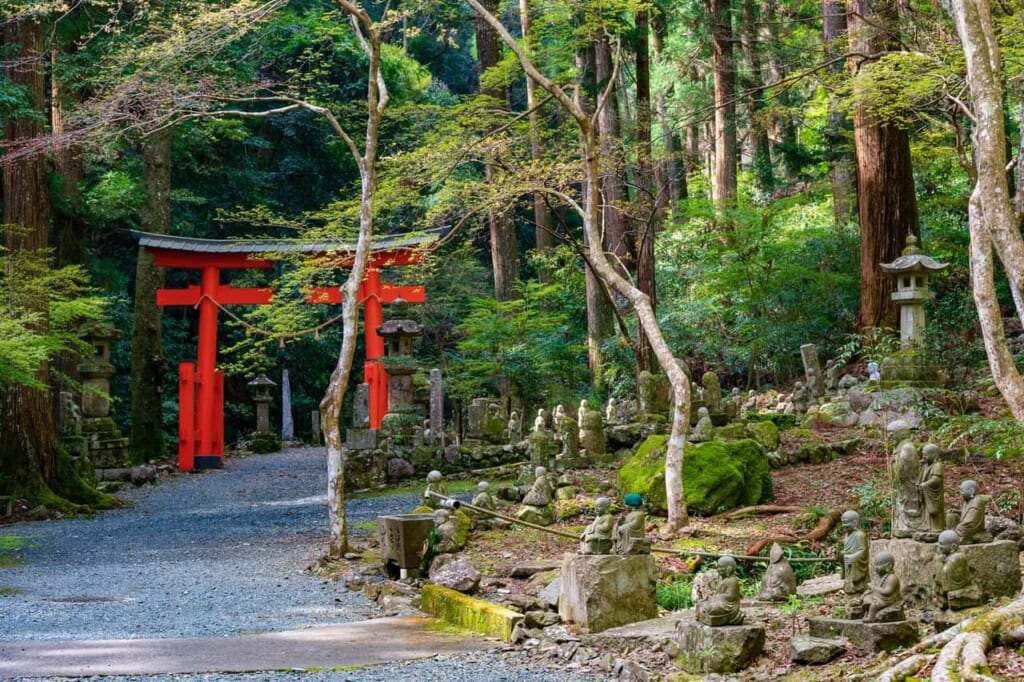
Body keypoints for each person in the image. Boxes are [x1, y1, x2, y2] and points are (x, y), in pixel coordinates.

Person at [696, 556, 744, 626]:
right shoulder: (722, 579)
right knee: (700, 603)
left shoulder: (732, 581)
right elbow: (718, 591)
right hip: (719, 601)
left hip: (728, 605)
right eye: (717, 567)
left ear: (729, 569)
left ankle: (710, 614)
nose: (718, 569)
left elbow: (730, 596)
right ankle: (705, 613)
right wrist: (712, 592)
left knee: (712, 608)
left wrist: (717, 597)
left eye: (720, 567)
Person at [842, 510, 870, 594]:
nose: (844, 526)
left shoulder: (860, 535)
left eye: (846, 523)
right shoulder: (847, 535)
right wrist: (841, 554)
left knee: (859, 583)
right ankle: (850, 591)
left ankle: (860, 591)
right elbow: (848, 550)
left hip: (857, 564)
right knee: (849, 579)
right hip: (849, 564)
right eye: (843, 523)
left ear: (854, 523)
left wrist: (853, 557)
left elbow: (863, 550)